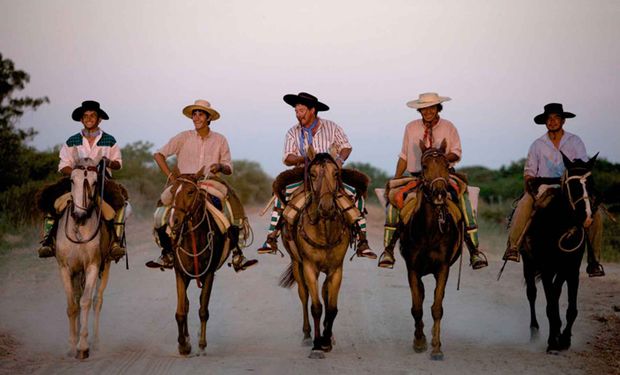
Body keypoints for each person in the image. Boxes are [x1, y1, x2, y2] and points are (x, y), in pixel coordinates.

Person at [257, 92, 377, 259]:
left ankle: (362, 240)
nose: (298, 115)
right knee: (280, 192)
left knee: (357, 191)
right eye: (296, 111)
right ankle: (272, 237)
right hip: (304, 173)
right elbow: (287, 157)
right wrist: (303, 158)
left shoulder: (331, 126)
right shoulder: (293, 132)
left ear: (312, 110)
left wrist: (339, 161)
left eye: (302, 111)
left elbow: (346, 146)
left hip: (331, 173)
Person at [378, 92, 488, 270]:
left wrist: (439, 157)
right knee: (394, 202)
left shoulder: (449, 127)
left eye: (431, 107)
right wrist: (397, 177)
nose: (427, 111)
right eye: (424, 108)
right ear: (419, 110)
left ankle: (474, 250)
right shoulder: (411, 127)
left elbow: (457, 152)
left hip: (443, 176)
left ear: (438, 108)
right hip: (417, 176)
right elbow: (404, 155)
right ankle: (388, 250)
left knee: (464, 202)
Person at [146, 99, 257, 272]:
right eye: (194, 114)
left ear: (208, 118)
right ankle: (166, 252)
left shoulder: (220, 140)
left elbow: (228, 167)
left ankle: (237, 252)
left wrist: (219, 166)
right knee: (161, 210)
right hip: (183, 183)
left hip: (209, 181)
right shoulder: (183, 137)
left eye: (200, 114)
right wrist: (170, 176)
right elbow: (158, 154)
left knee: (230, 205)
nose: (196, 117)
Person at [502, 103, 605, 277]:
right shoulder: (537, 145)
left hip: (572, 188)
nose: (552, 121)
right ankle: (513, 246)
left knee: (595, 215)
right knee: (524, 204)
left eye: (556, 118)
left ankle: (594, 261)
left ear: (563, 120)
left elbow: (582, 167)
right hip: (544, 187)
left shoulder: (575, 141)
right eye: (549, 118)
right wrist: (531, 186)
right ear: (545, 122)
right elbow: (529, 172)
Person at [37, 100, 128, 261]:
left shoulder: (109, 140)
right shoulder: (72, 141)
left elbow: (118, 164)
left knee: (120, 202)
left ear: (99, 119)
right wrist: (76, 174)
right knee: (50, 199)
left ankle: (115, 242)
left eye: (93, 115)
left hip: (101, 181)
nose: (89, 118)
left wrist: (108, 162)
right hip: (75, 179)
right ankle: (48, 240)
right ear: (81, 119)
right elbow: (63, 164)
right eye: (85, 116)